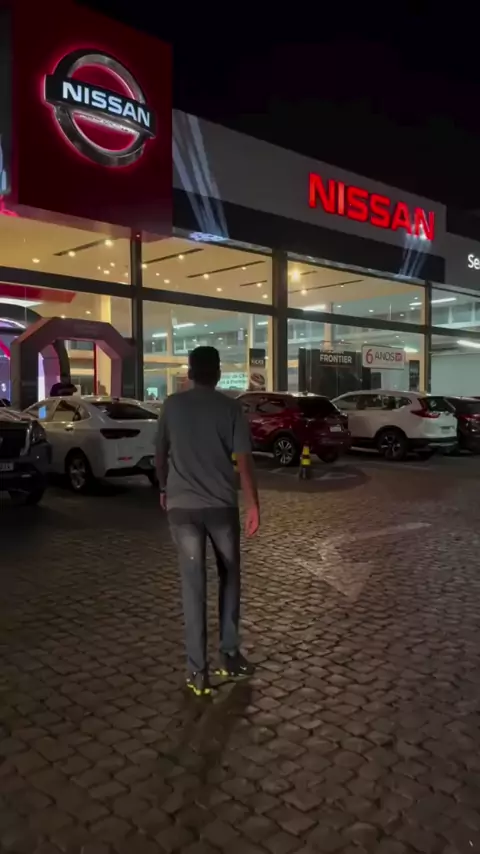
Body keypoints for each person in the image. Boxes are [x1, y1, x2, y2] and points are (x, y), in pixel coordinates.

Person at [155, 346, 260, 697]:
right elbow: (244, 461)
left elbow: (160, 453)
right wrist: (253, 504)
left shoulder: (172, 406)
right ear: (217, 373)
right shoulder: (230, 408)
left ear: (190, 373)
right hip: (221, 507)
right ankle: (229, 655)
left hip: (182, 508)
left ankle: (197, 672)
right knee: (229, 578)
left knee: (193, 586)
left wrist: (163, 488)